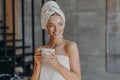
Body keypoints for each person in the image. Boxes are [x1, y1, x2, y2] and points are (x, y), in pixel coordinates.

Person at [32, 1, 81, 80]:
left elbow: (77, 78)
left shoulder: (70, 47)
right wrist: (37, 65)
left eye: (60, 24)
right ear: (46, 27)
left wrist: (57, 64)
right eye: (51, 25)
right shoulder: (40, 50)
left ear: (63, 25)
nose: (56, 29)